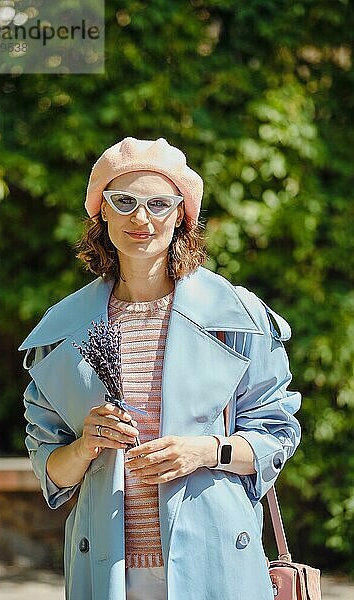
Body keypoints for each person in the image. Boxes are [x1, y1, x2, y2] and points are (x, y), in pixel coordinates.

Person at [20, 136, 301, 600]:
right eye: (124, 201)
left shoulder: (239, 317)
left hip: (215, 561)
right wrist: (86, 446)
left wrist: (207, 451)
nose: (141, 218)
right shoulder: (61, 330)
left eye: (158, 203)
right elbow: (51, 469)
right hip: (107, 570)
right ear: (101, 211)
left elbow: (277, 435)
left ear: (181, 214)